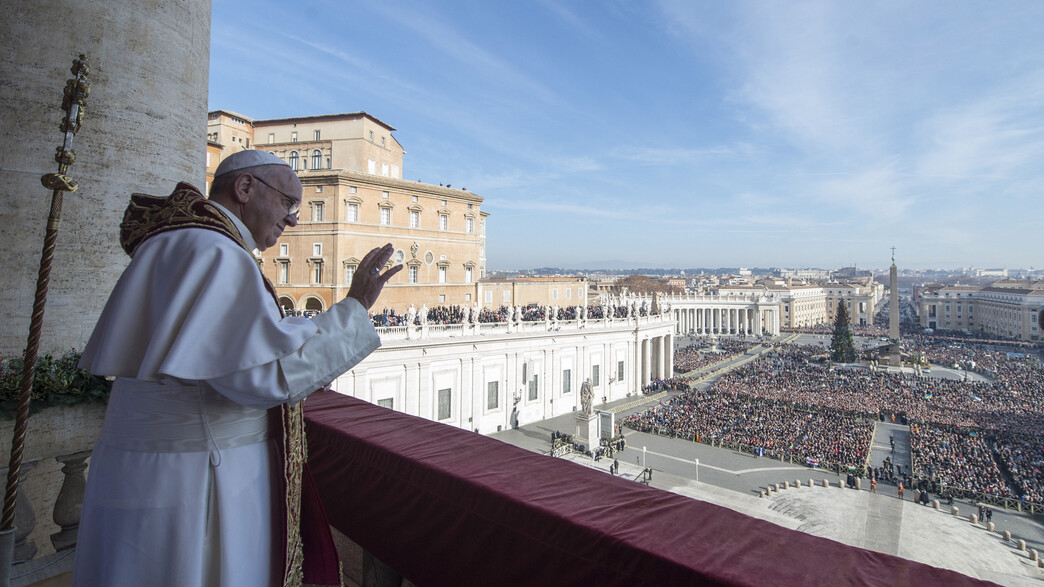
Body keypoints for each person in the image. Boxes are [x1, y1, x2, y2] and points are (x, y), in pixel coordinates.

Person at [72, 150, 402, 587]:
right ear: (245, 188)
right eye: (288, 202)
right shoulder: (217, 252)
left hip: (148, 470)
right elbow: (264, 376)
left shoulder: (178, 243)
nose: (293, 220)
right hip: (196, 480)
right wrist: (355, 307)